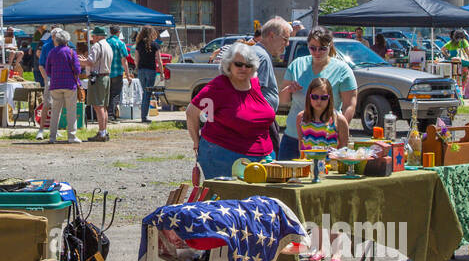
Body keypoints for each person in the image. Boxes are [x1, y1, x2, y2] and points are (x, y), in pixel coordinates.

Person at [185, 42, 277, 179]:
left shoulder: (255, 84)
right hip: (224, 157)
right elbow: (191, 112)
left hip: (262, 158)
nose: (243, 68)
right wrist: (196, 141)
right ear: (228, 64)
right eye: (238, 64)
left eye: (248, 65)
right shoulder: (220, 85)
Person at [277, 27, 358, 160]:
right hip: (293, 136)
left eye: (322, 48)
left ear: (330, 46)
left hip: (326, 140)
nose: (317, 52)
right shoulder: (297, 65)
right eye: (312, 48)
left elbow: (350, 105)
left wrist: (340, 129)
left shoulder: (342, 70)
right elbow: (283, 101)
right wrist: (289, 90)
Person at [297, 77, 350, 261]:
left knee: (333, 213)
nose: (318, 101)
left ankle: (337, 252)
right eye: (315, 96)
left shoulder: (337, 119)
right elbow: (301, 147)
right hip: (311, 171)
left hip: (331, 170)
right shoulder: (302, 118)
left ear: (330, 98)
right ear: (309, 97)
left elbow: (344, 148)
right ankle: (319, 248)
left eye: (323, 97)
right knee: (316, 212)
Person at [44, 28, 82, 144]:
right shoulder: (71, 52)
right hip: (69, 84)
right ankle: (71, 136)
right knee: (71, 111)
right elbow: (77, 69)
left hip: (55, 84)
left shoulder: (52, 52)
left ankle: (52, 136)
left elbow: (48, 70)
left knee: (55, 111)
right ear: (67, 41)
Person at [82, 26, 113, 142]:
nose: (92, 38)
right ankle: (104, 131)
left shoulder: (97, 45)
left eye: (94, 35)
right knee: (103, 106)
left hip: (98, 77)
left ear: (99, 36)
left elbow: (90, 62)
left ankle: (101, 133)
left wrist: (77, 60)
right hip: (105, 76)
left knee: (98, 106)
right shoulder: (108, 45)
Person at [134, 27, 165, 123]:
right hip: (151, 70)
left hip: (141, 70)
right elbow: (159, 60)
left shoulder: (139, 44)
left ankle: (143, 116)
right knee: (147, 93)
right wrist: (162, 73)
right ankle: (144, 117)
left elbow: (136, 59)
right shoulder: (155, 45)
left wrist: (137, 68)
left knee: (144, 93)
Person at [105, 26, 131, 123]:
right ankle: (111, 115)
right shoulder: (120, 43)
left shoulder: (105, 42)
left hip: (106, 72)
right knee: (115, 94)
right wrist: (128, 75)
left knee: (107, 94)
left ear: (110, 32)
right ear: (119, 32)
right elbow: (124, 60)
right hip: (117, 73)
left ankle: (106, 114)